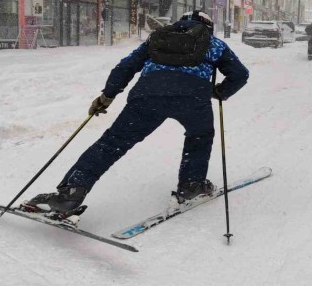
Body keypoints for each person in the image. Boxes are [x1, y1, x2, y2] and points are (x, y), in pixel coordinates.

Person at [24, 11, 249, 219]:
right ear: (208, 27)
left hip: (147, 97)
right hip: (192, 100)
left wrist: (107, 96)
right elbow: (240, 74)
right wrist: (219, 92)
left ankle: (70, 194)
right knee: (200, 137)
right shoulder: (215, 44)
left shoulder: (157, 38)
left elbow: (126, 66)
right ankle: (192, 186)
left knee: (111, 144)